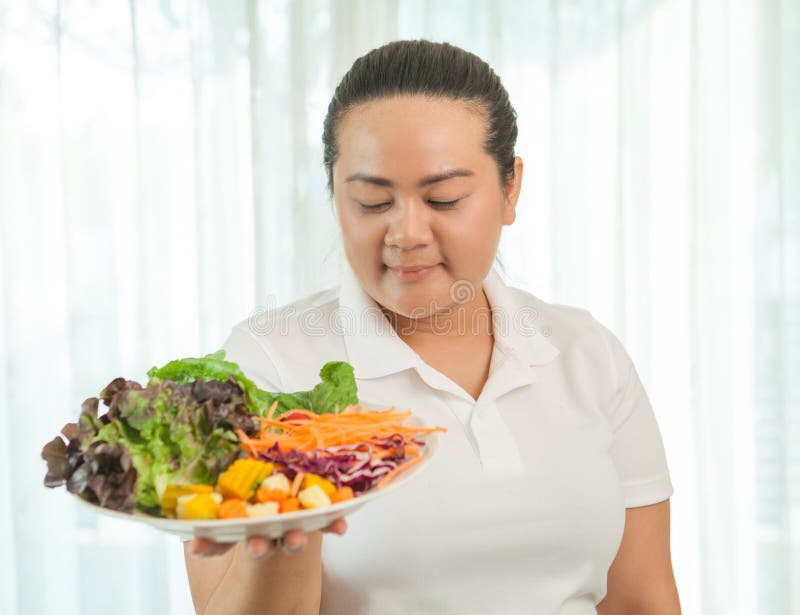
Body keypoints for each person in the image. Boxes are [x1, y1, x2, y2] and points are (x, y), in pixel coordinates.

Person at [184, 39, 681, 615]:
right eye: (372, 201)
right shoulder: (266, 367)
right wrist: (288, 516)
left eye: (443, 198)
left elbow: (643, 599)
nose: (406, 233)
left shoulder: (585, 353)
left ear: (509, 188)